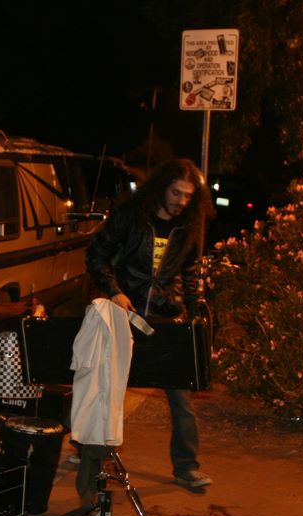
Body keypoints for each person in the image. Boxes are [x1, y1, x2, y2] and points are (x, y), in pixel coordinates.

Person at [85, 157, 215, 488]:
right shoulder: (132, 216)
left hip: (166, 319)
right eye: (176, 193)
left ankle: (186, 467)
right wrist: (114, 291)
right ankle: (91, 452)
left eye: (188, 196)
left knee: (181, 398)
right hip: (125, 315)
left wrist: (193, 316)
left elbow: (191, 273)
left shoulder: (189, 227)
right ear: (161, 188)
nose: (181, 201)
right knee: (106, 390)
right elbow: (97, 254)